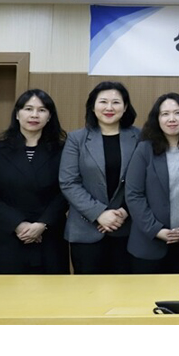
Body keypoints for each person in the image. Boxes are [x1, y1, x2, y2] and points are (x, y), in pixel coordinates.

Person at [0, 89, 69, 274]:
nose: (34, 115)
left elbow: (67, 192)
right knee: (5, 290)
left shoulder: (64, 151)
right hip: (8, 236)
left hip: (50, 236)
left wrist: (42, 224)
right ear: (17, 114)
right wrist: (18, 225)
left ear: (49, 116)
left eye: (42, 110)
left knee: (52, 291)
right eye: (28, 109)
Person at [60, 81, 139, 274]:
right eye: (103, 102)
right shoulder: (76, 139)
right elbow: (69, 182)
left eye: (116, 102)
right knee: (88, 290)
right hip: (86, 230)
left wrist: (125, 211)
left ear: (125, 107)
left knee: (126, 289)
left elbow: (144, 182)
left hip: (127, 229)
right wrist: (99, 214)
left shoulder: (139, 137)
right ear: (93, 107)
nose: (109, 107)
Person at [125, 93, 179, 273]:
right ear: (157, 119)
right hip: (148, 244)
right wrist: (156, 229)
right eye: (165, 114)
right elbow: (133, 194)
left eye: (177, 113)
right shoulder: (144, 149)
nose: (172, 119)